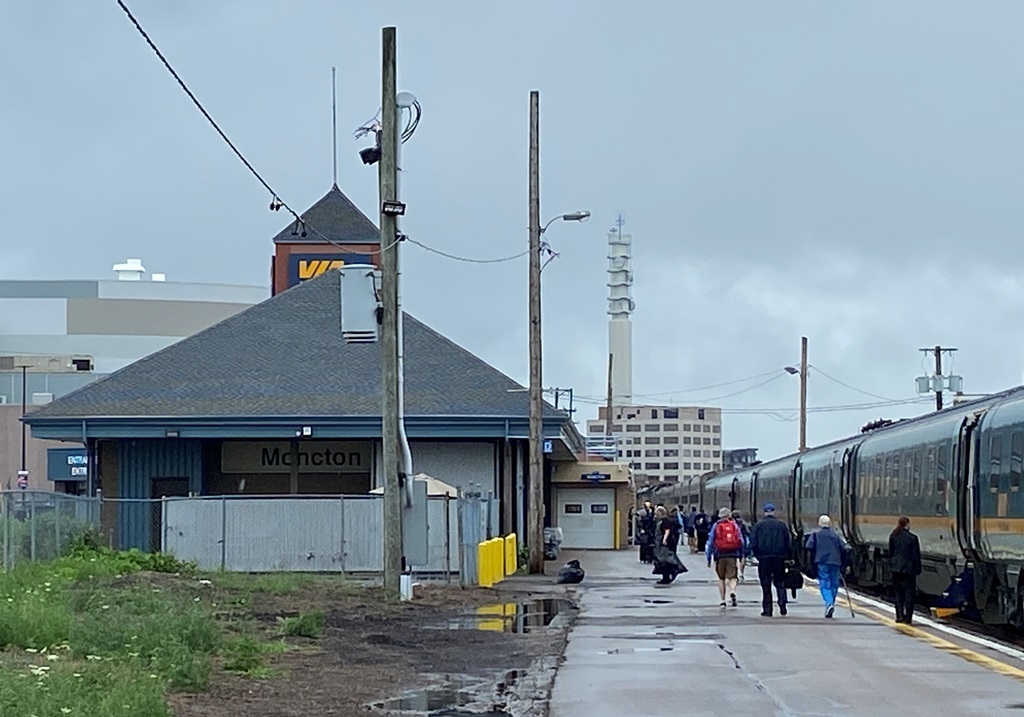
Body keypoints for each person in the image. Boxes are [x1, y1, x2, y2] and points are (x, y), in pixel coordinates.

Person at [749, 502, 792, 617]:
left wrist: (758, 555)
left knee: (766, 584)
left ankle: (767, 610)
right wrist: (788, 556)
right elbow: (788, 543)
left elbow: (753, 543)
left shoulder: (758, 526)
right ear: (773, 512)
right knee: (780, 582)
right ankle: (782, 604)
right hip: (779, 558)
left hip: (764, 559)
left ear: (764, 513)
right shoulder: (781, 525)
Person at [805, 514, 847, 618]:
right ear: (830, 524)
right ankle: (831, 602)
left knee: (825, 583)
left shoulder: (816, 535)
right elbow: (843, 548)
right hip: (835, 562)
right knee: (834, 584)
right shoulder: (835, 536)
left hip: (822, 561)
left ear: (820, 524)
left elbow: (808, 546)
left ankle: (829, 603)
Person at [705, 507, 745, 608]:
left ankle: (723, 600)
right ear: (729, 515)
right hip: (732, 554)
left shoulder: (716, 525)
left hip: (720, 555)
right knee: (733, 577)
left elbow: (710, 542)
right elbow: (741, 541)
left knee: (721, 578)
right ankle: (732, 590)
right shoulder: (734, 525)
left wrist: (709, 558)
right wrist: (741, 555)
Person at [889, 516, 922, 624]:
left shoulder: (893, 536)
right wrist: (918, 569)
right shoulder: (913, 538)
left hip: (896, 569)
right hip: (909, 569)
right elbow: (916, 555)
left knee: (898, 594)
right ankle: (908, 618)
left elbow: (891, 553)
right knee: (909, 594)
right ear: (907, 525)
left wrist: (892, 565)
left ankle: (899, 616)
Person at [652, 506, 687, 584]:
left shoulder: (665, 520)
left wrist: (664, 539)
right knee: (663, 562)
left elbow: (667, 530)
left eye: (657, 513)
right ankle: (666, 577)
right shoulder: (661, 521)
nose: (656, 515)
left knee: (665, 561)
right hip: (659, 544)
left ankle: (671, 573)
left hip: (663, 545)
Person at [732, 510, 751, 582]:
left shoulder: (731, 523)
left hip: (733, 543)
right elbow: (748, 533)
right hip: (742, 542)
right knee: (742, 558)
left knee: (734, 558)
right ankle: (741, 574)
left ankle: (735, 573)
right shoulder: (742, 523)